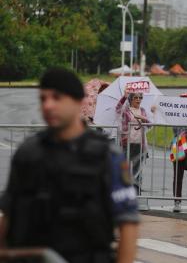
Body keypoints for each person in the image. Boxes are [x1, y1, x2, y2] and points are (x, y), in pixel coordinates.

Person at [0, 68, 139, 263]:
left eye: (57, 98)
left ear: (77, 101)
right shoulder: (28, 153)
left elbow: (128, 224)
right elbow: (8, 215)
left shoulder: (106, 156)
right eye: (43, 99)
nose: (48, 105)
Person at [116, 90, 150, 195]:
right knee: (124, 169)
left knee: (138, 171)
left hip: (140, 143)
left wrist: (144, 119)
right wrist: (124, 97)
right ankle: (123, 191)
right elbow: (117, 109)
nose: (138, 100)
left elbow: (150, 125)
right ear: (131, 99)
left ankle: (136, 193)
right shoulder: (126, 111)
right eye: (136, 97)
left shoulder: (143, 110)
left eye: (140, 97)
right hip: (127, 144)